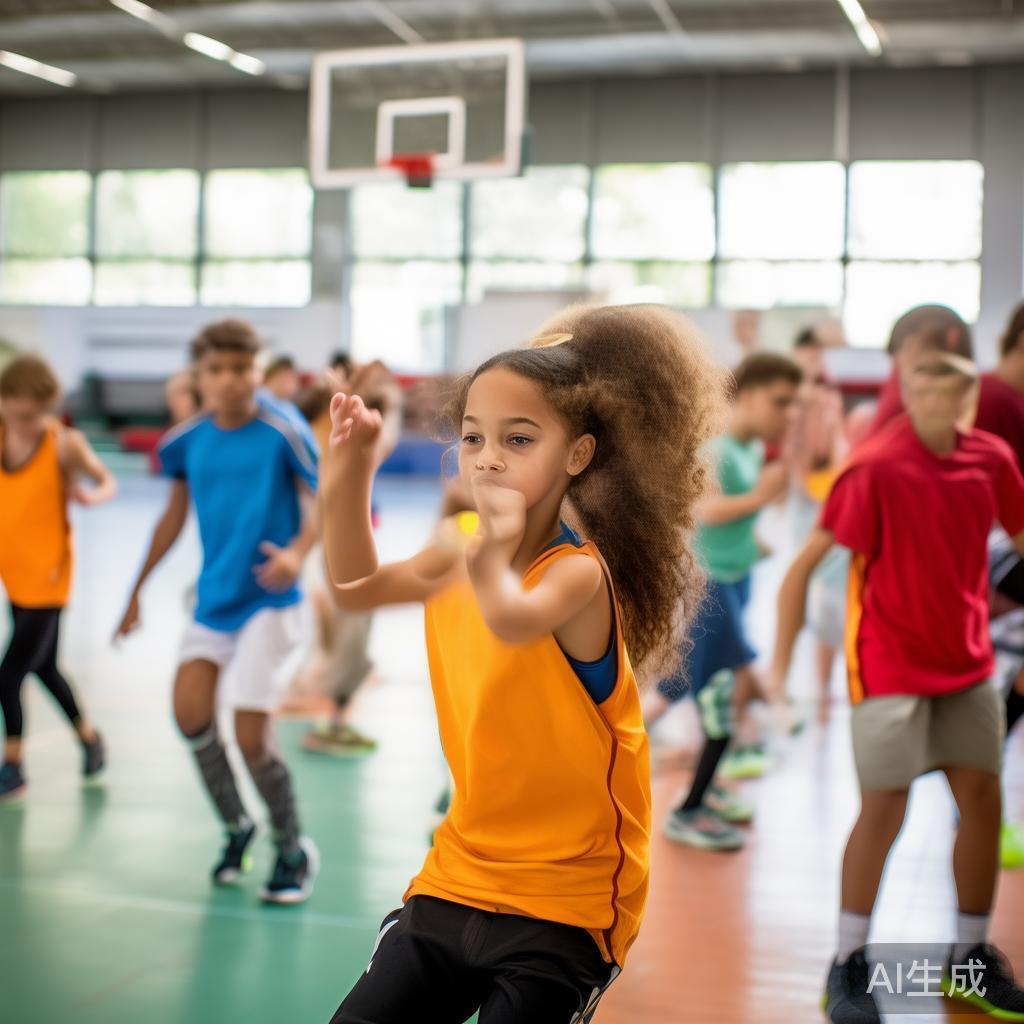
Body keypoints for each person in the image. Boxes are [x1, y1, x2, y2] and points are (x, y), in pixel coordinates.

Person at [321, 304, 725, 1024]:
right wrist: (350, 473)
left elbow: (510, 618)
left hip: (570, 900)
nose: (488, 457)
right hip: (459, 872)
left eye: (518, 438)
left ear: (577, 455)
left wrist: (485, 546)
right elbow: (352, 586)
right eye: (473, 437)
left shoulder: (577, 576)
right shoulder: (460, 546)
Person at [771, 350, 1024, 1023]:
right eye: (925, 394)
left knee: (983, 801)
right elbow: (802, 570)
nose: (939, 407)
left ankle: (970, 956)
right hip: (888, 667)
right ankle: (847, 964)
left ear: (969, 401)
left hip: (967, 666)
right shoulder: (875, 468)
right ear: (908, 396)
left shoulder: (991, 458)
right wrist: (780, 670)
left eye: (953, 397)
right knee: (884, 810)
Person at [114, 319, 321, 904]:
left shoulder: (283, 430)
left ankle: (292, 847)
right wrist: (136, 590)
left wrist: (298, 554)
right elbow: (172, 518)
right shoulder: (185, 442)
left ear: (257, 370)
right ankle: (237, 827)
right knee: (189, 715)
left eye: (241, 368)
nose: (231, 380)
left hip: (271, 601)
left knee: (251, 737)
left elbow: (320, 502)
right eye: (218, 370)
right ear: (199, 377)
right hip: (214, 601)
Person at [642, 352, 801, 849]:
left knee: (677, 690)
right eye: (780, 402)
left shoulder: (752, 450)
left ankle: (693, 795)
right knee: (718, 705)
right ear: (748, 396)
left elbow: (732, 523)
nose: (787, 414)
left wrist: (754, 541)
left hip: (731, 581)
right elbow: (701, 510)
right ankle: (687, 811)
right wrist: (760, 499)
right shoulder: (720, 449)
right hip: (709, 590)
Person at [0, 354, 116, 801]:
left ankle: (13, 765)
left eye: (37, 415)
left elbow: (106, 481)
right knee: (44, 667)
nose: (29, 424)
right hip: (14, 576)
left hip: (49, 580)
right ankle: (89, 737)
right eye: (20, 415)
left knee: (7, 675)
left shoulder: (63, 444)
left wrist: (91, 495)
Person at [296, 360, 403, 756]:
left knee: (345, 623)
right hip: (331, 543)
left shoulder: (339, 432)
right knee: (348, 622)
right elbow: (324, 503)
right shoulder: (331, 434)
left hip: (336, 541)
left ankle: (333, 712)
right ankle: (331, 719)